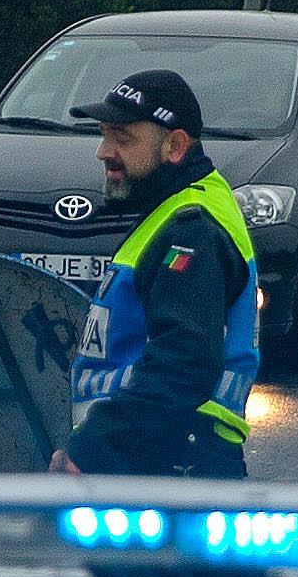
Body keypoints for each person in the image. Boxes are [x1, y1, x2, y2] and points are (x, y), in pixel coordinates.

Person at [56, 69, 255, 480]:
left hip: (174, 463)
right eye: (104, 134)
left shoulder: (191, 229)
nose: (104, 151)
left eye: (122, 137)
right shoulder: (173, 213)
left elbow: (185, 360)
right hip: (159, 456)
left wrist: (96, 445)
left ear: (176, 145)